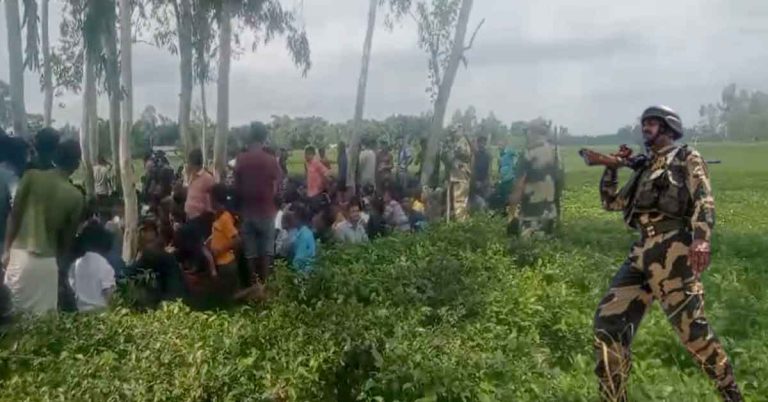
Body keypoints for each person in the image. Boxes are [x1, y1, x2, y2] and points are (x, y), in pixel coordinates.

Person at [589, 106, 742, 402]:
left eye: (652, 123)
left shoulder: (685, 157)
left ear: (669, 128)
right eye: (644, 123)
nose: (645, 127)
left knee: (693, 334)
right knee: (608, 321)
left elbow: (703, 198)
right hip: (642, 251)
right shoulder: (644, 167)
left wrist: (701, 239)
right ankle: (613, 397)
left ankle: (731, 395)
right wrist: (612, 166)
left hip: (674, 249)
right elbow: (611, 203)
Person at [2, 139, 85, 314]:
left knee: (13, 318)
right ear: (77, 165)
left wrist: (6, 250)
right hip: (48, 263)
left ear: (56, 156)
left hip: (20, 256)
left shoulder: (31, 177)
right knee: (43, 325)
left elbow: (14, 215)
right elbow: (66, 241)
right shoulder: (76, 197)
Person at [234, 122, 281, 285]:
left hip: (247, 212)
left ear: (250, 137)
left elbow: (236, 188)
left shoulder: (241, 159)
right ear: (264, 137)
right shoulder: (271, 160)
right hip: (267, 211)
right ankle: (265, 285)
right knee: (266, 251)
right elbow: (277, 188)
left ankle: (254, 285)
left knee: (251, 253)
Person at [507, 118, 559, 238]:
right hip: (550, 215)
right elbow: (559, 183)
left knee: (527, 245)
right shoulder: (555, 153)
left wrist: (511, 214)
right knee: (547, 246)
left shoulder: (528, 154)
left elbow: (519, 186)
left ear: (532, 132)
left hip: (531, 216)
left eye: (527, 132)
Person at [68, 221, 116, 312]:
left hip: (80, 310)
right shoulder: (103, 264)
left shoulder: (76, 264)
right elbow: (108, 293)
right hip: (100, 312)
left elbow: (72, 286)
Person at [207, 184, 240, 300]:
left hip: (226, 263)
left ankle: (255, 291)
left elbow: (236, 240)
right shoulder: (218, 216)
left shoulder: (225, 218)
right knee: (228, 296)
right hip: (220, 263)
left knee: (231, 297)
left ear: (214, 199)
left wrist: (219, 250)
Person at [442, 128, 472, 222]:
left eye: (456, 131)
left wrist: (453, 151)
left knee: (460, 201)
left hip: (461, 177)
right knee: (450, 201)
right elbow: (445, 157)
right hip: (452, 176)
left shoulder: (463, 142)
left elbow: (466, 154)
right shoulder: (450, 142)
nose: (454, 133)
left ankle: (460, 223)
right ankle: (450, 221)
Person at [184, 148, 215, 222]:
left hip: (200, 218)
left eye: (189, 162)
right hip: (189, 216)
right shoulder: (191, 175)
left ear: (193, 164)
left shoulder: (207, 178)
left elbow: (211, 199)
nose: (188, 165)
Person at [287, 203, 315, 273]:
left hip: (302, 274)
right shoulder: (298, 231)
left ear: (297, 216)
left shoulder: (304, 235)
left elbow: (299, 260)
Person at [471, 136, 491, 204]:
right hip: (475, 181)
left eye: (483, 143)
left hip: (484, 181)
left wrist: (487, 181)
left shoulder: (487, 155)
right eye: (480, 143)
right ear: (478, 144)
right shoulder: (474, 155)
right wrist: (474, 181)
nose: (482, 145)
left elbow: (489, 169)